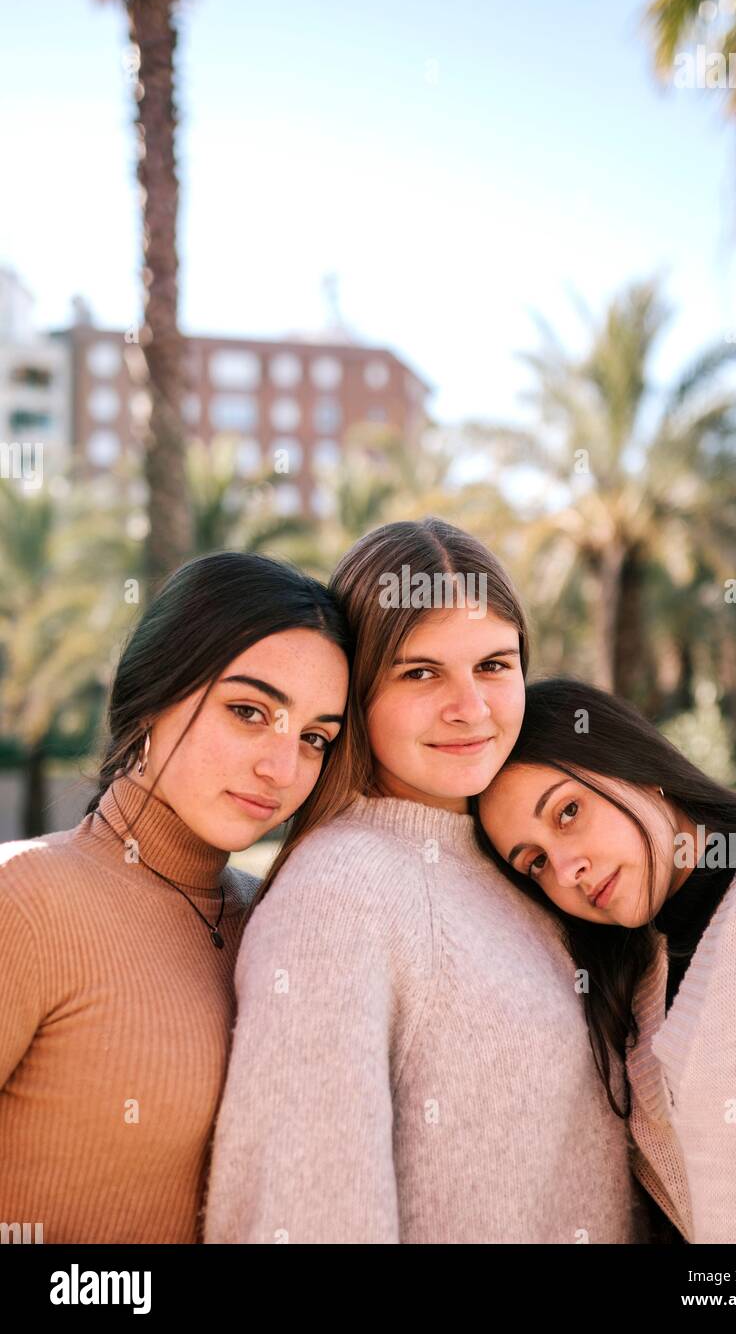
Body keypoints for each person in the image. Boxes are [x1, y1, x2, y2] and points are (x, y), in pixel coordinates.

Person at [203, 518, 646, 1244]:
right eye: (420, 672)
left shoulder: (528, 860)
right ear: (357, 692)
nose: (469, 708)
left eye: (495, 666)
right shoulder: (340, 893)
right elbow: (301, 1212)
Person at [0, 550, 350, 1242]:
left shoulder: (281, 922)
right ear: (156, 693)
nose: (281, 767)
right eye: (249, 711)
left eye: (315, 738)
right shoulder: (25, 898)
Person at [472, 676, 736, 1245]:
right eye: (534, 862)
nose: (566, 870)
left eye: (567, 812)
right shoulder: (641, 983)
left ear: (636, 768)